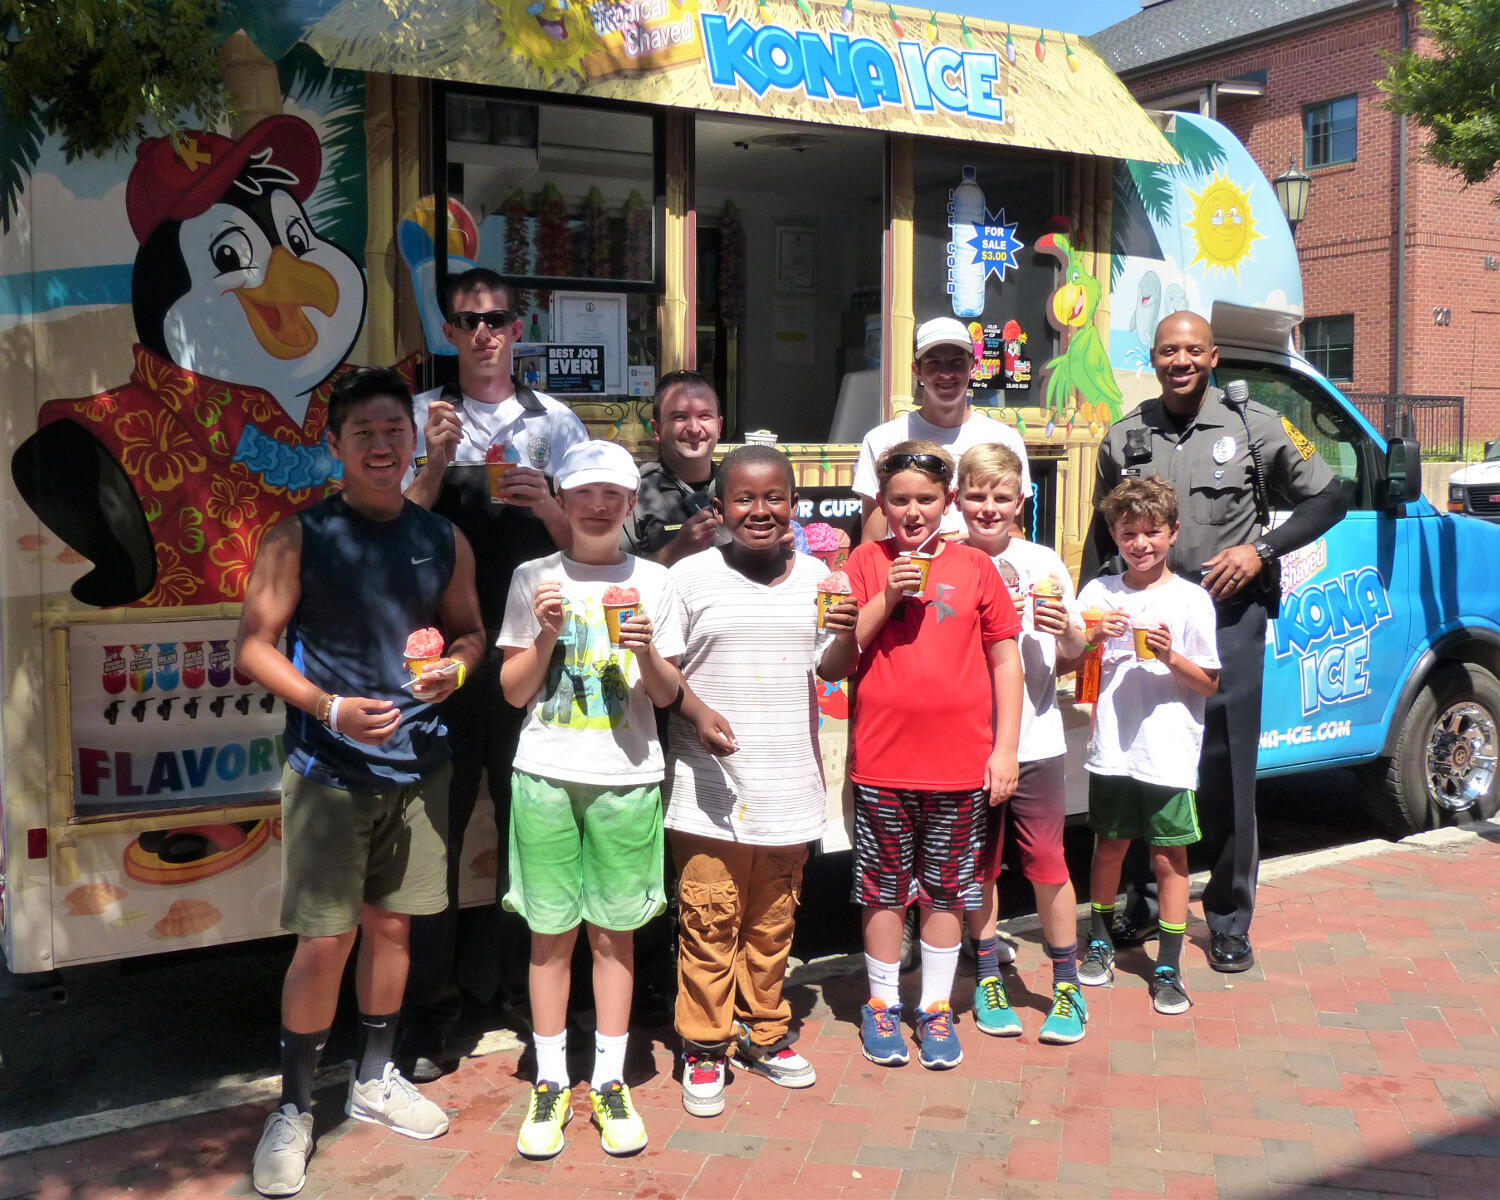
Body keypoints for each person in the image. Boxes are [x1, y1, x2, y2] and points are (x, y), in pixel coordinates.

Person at [235, 367, 486, 1198]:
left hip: (420, 769)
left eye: (394, 431)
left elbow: (472, 633)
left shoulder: (443, 538)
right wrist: (329, 707)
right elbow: (255, 647)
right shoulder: (299, 536)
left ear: (413, 442)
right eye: (364, 434)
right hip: (330, 771)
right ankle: (296, 1107)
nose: (382, 445)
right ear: (336, 446)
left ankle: (376, 1079)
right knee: (324, 941)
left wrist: (456, 668)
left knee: (394, 934)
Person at [1082, 311, 1347, 972]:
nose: (1181, 361)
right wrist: (1092, 631)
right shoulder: (1125, 435)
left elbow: (1329, 497)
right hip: (1145, 617)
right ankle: (1142, 903)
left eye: (1193, 350)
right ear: (1155, 357)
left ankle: (1227, 917)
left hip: (1228, 619)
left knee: (1225, 772)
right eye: (1169, 350)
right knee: (1147, 762)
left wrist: (1261, 551)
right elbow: (1099, 538)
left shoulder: (1254, 426)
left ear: (1212, 355)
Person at [399, 267, 588, 1077]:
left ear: (520, 328)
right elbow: (387, 523)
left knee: (531, 834)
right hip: (438, 660)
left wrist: (547, 502)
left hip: (525, 657)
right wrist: (435, 462)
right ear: (450, 330)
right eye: (468, 320)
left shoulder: (555, 424)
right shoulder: (416, 417)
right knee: (433, 847)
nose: (483, 333)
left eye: (497, 319)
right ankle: (428, 1017)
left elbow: (591, 535)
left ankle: (527, 994)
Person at [497, 439, 685, 1161]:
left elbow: (664, 695)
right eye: (585, 494)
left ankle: (608, 1078)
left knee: (615, 933)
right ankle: (550, 1079)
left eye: (613, 494)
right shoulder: (533, 577)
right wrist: (544, 636)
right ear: (563, 501)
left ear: (632, 504)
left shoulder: (655, 583)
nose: (600, 506)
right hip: (544, 772)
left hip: (628, 777)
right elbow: (514, 691)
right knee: (550, 934)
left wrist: (644, 651)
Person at [659, 445, 860, 1117]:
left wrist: (847, 630)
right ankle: (705, 1045)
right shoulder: (688, 578)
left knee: (773, 925)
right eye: (743, 499)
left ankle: (765, 1031)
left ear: (794, 506)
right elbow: (661, 674)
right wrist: (696, 710)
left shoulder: (817, 579)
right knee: (709, 921)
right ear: (719, 510)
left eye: (774, 497)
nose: (760, 510)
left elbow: (833, 669)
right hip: (708, 788)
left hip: (787, 783)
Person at [843, 440, 1022, 1071]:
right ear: (881, 504)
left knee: (948, 893)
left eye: (925, 499)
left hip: (959, 766)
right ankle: (883, 1004)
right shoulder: (865, 561)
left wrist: (1005, 749)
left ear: (947, 502)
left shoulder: (976, 566)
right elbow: (841, 658)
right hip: (883, 763)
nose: (912, 512)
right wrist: (887, 594)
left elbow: (1005, 658)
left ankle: (937, 1007)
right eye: (899, 501)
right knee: (884, 890)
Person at [954, 445, 1090, 1044]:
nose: (988, 507)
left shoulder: (1042, 562)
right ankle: (987, 974)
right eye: (976, 495)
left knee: (1048, 863)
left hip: (1035, 739)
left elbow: (1072, 655)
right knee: (977, 867)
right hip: (963, 745)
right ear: (958, 499)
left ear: (1021, 500)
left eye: (1001, 496)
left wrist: (1069, 637)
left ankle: (1067, 984)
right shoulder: (944, 561)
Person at [1076, 478, 1220, 1014]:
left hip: (1167, 750)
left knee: (1169, 857)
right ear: (1113, 535)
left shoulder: (1190, 600)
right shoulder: (1098, 593)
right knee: (1108, 847)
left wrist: (1169, 657)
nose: (1141, 543)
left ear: (1173, 534)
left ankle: (1169, 965)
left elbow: (1208, 682)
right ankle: (1099, 941)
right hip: (1112, 747)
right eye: (1129, 532)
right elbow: (1077, 672)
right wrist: (1090, 639)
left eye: (1153, 532)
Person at [853, 317, 1032, 543]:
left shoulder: (1006, 439)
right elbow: (872, 541)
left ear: (973, 366)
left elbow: (1015, 534)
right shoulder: (881, 440)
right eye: (934, 363)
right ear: (917, 371)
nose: (946, 373)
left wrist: (971, 548)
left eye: (956, 362)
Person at [624, 369, 731, 564]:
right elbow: (613, 577)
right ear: (657, 430)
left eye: (705, 416)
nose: (694, 428)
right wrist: (676, 550)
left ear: (720, 426)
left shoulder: (739, 487)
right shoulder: (632, 495)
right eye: (680, 417)